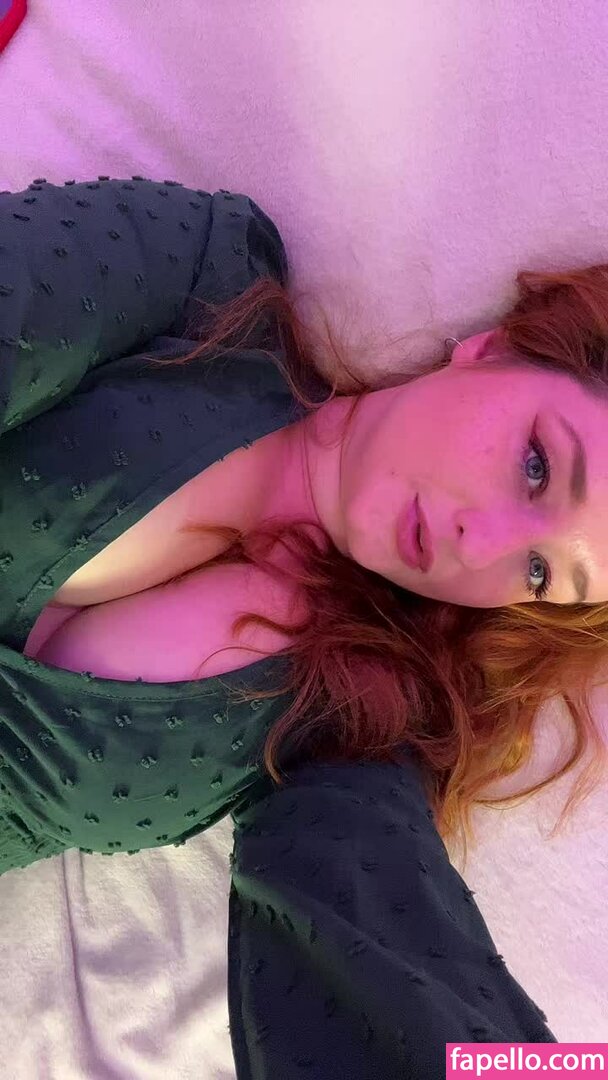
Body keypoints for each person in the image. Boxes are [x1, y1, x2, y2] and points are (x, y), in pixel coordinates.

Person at [1, 174, 605, 1071]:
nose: (483, 544)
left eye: (540, 573)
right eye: (535, 467)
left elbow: (387, 976)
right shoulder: (208, 277)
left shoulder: (359, 719)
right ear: (493, 350)